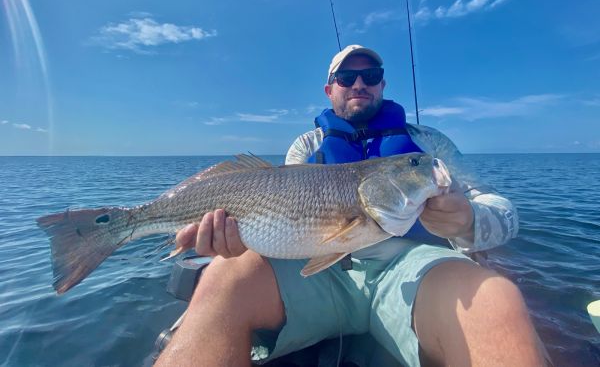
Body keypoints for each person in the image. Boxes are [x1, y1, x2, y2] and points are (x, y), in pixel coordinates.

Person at [155, 45, 547, 366]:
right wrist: (238, 242)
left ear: (382, 85)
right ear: (330, 90)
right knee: (221, 276)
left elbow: (503, 209)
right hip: (320, 272)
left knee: (496, 299)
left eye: (371, 75)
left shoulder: (429, 148)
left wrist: (469, 218)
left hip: (417, 269)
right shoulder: (307, 147)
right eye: (346, 77)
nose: (359, 84)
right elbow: (284, 226)